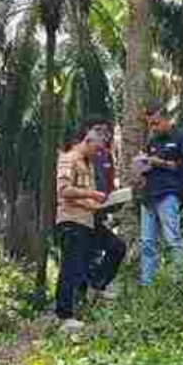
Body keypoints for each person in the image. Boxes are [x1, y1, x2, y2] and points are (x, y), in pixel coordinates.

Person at [54, 127, 118, 332]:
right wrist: (91, 194)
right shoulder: (68, 159)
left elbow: (86, 198)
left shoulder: (89, 164)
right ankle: (64, 315)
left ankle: (97, 284)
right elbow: (63, 191)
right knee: (71, 268)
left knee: (116, 246)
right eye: (96, 149)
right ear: (87, 141)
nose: (98, 154)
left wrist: (102, 204)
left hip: (88, 220)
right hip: (71, 221)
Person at [135, 99, 183, 286]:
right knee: (146, 243)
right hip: (149, 195)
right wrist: (140, 168)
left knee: (172, 239)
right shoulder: (152, 141)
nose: (152, 127)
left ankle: (178, 283)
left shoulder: (182, 137)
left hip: (169, 193)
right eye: (149, 124)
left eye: (155, 123)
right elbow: (146, 167)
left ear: (166, 118)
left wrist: (162, 163)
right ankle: (147, 285)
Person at [81, 116, 126, 300]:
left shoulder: (107, 155)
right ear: (87, 131)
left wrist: (116, 201)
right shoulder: (78, 154)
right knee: (84, 257)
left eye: (106, 131)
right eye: (98, 130)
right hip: (79, 216)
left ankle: (98, 285)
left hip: (98, 214)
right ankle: (78, 298)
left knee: (116, 247)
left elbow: (108, 188)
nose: (104, 135)